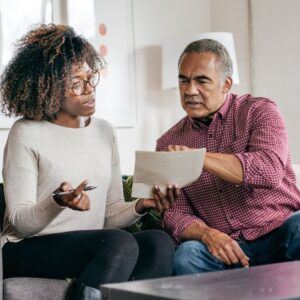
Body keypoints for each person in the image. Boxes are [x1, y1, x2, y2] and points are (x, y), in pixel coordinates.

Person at [0, 24, 177, 300]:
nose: (89, 90)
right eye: (75, 84)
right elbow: (21, 222)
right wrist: (58, 201)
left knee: (158, 242)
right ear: (47, 88)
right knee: (118, 244)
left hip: (92, 244)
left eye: (90, 78)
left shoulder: (104, 131)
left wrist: (143, 205)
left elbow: (109, 214)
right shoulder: (26, 133)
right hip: (26, 249)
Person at [156, 39, 300, 276]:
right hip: (224, 246)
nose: (190, 90)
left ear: (226, 84)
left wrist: (197, 158)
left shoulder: (259, 112)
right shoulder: (167, 143)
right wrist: (207, 234)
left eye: (202, 80)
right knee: (187, 255)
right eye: (184, 80)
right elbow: (174, 212)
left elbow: (268, 170)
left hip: (280, 231)